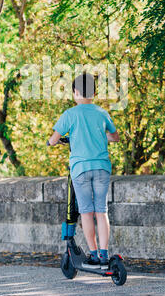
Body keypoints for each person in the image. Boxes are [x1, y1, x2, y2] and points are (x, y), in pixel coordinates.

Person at [48, 72, 120, 270]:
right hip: (102, 168)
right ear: (94, 92)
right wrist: (99, 135)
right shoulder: (101, 113)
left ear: (76, 92)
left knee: (87, 213)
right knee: (101, 211)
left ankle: (94, 254)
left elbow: (54, 139)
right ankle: (105, 254)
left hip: (80, 170)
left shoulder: (70, 114)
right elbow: (115, 137)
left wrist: (51, 142)